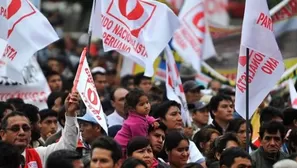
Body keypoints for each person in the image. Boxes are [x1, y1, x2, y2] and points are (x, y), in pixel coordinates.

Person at [0, 92, 80, 167]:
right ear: (3, 134)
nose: (22, 132)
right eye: (15, 129)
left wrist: (70, 114)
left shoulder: (39, 154)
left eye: (26, 128)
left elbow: (67, 146)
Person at [153, 101, 206, 167]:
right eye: (174, 114)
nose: (180, 118)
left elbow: (202, 165)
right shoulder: (155, 144)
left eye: (180, 114)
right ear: (161, 119)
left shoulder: (188, 143)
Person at [115, 89, 157, 156]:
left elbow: (146, 117)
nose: (146, 106)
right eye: (142, 104)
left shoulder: (138, 115)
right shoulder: (137, 123)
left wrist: (153, 121)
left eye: (147, 102)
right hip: (122, 150)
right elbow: (141, 143)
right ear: (132, 108)